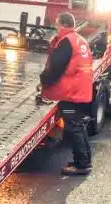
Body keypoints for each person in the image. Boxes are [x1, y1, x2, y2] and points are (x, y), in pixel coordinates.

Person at [40, 12, 95, 175]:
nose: (56, 27)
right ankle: (84, 160)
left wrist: (44, 81)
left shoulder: (66, 41)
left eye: (57, 24)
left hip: (70, 93)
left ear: (61, 24)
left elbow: (55, 67)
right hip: (81, 91)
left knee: (75, 127)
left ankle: (82, 165)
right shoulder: (80, 40)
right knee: (79, 126)